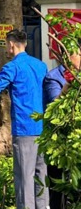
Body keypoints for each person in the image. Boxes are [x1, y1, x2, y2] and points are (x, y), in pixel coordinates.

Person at [0, 29, 48, 209]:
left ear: (10, 45)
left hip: (24, 128)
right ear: (25, 43)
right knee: (41, 174)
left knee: (24, 176)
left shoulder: (12, 67)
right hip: (43, 128)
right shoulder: (41, 65)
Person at [42, 49, 80, 209]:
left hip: (76, 141)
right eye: (79, 54)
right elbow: (54, 106)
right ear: (68, 57)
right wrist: (68, 86)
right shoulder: (53, 77)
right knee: (59, 189)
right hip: (59, 142)